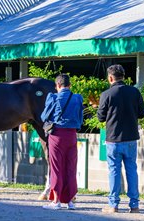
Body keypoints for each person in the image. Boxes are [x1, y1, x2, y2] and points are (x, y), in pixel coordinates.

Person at [97, 64, 144, 214]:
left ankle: (113, 205)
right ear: (123, 77)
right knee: (132, 170)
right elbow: (142, 113)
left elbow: (100, 117)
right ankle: (134, 205)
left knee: (114, 171)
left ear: (110, 78)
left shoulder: (106, 94)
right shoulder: (134, 92)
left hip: (113, 139)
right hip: (131, 138)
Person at [40, 74, 83, 210]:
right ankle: (70, 201)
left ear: (57, 86)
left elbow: (44, 116)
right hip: (72, 135)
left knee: (56, 168)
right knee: (71, 167)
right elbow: (80, 118)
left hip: (57, 136)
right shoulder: (77, 98)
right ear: (69, 85)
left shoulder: (53, 97)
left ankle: (56, 201)